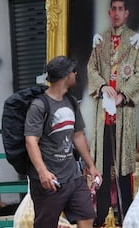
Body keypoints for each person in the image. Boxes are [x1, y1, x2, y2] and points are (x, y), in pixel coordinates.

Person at [87, 0, 139, 225]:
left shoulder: (135, 40)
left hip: (123, 112)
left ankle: (126, 214)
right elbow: (91, 68)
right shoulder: (100, 40)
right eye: (113, 8)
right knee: (101, 164)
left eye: (121, 8)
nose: (117, 12)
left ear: (127, 13)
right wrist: (102, 86)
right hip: (103, 111)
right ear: (109, 12)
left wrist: (123, 95)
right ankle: (101, 214)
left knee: (123, 165)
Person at [25, 55, 102, 228]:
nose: (76, 74)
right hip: (50, 181)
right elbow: (31, 141)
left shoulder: (71, 102)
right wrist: (42, 172)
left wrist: (91, 166)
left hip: (72, 176)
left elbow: (78, 136)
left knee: (87, 215)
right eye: (73, 71)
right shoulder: (39, 106)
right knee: (46, 224)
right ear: (66, 76)